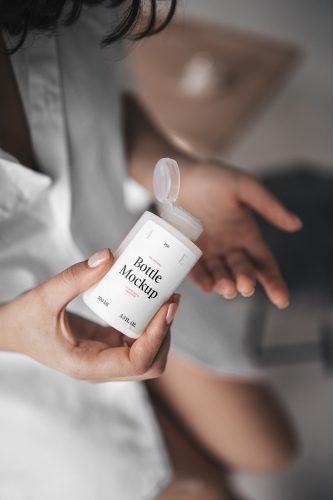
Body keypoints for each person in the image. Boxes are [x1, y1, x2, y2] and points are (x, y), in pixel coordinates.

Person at [0, 1, 300, 498]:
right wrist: (10, 329)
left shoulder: (70, 6)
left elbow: (98, 103)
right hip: (14, 350)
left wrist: (180, 171)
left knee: (268, 448)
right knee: (201, 488)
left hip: (129, 259)